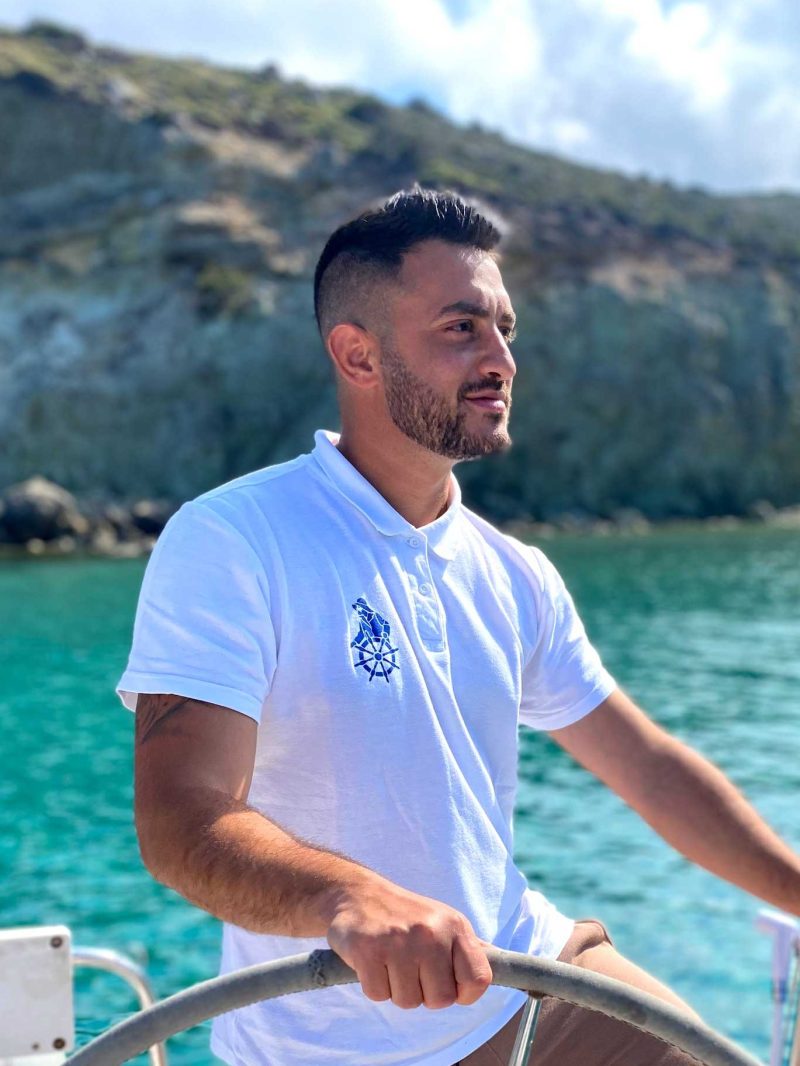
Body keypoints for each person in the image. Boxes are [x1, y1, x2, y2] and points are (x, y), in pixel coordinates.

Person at [119, 187, 800, 1066]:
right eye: (461, 329)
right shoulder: (233, 539)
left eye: (505, 330)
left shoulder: (515, 574)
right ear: (357, 356)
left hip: (535, 975)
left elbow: (652, 772)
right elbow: (182, 819)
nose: (501, 359)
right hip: (344, 1040)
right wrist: (350, 898)